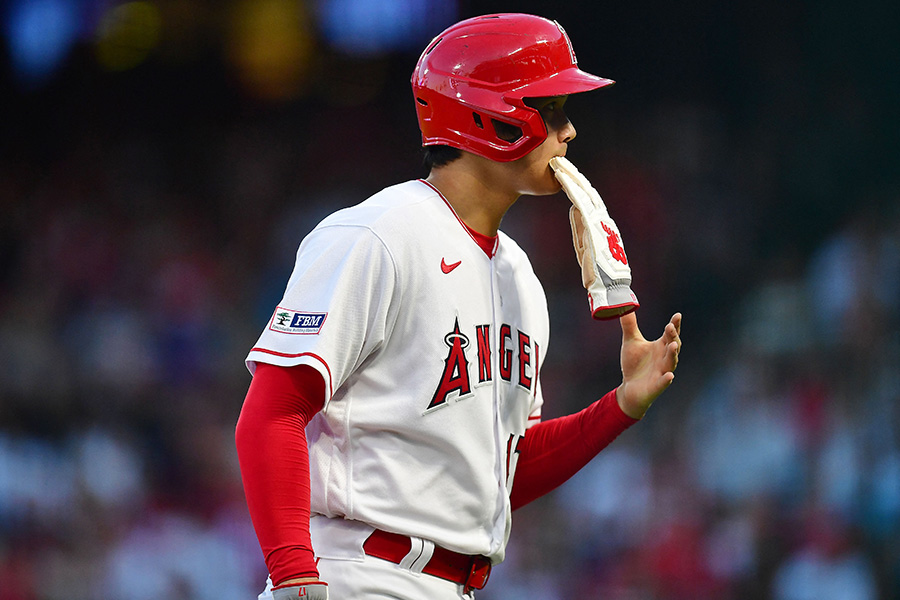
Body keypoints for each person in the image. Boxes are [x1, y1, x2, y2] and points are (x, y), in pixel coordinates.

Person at [235, 13, 682, 600]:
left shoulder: (520, 276)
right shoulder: (378, 235)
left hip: (454, 586)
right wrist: (295, 575)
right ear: (488, 116)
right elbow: (270, 413)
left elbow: (503, 468)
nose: (569, 132)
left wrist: (621, 406)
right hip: (357, 572)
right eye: (551, 111)